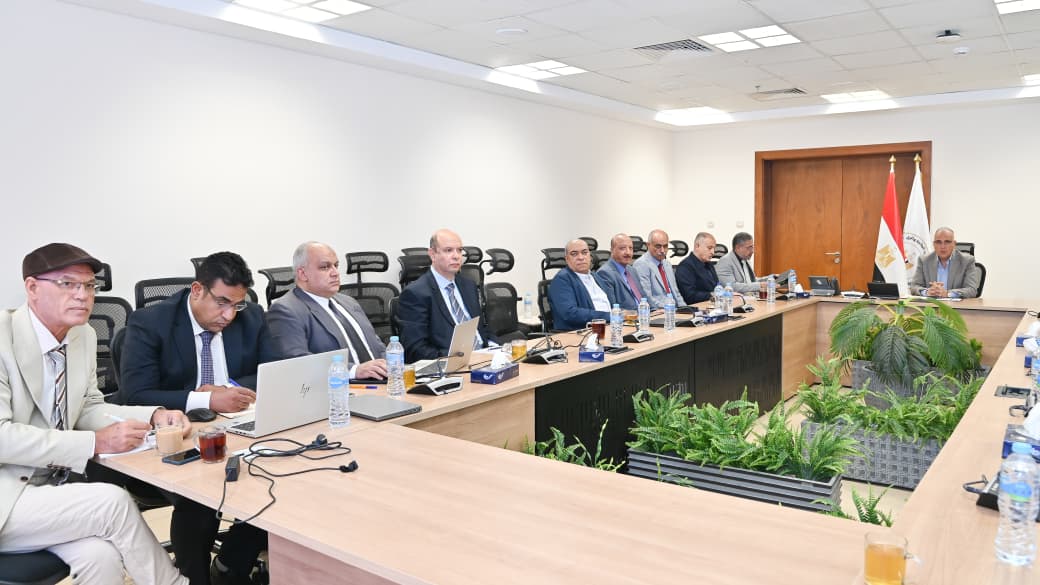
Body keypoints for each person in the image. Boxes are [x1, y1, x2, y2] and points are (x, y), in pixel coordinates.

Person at [0, 242, 189, 585]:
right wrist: (94, 442)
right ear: (32, 287)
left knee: (100, 557)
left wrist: (152, 416)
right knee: (111, 502)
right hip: (6, 494)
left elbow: (87, 406)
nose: (83, 295)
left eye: (89, 286)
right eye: (68, 284)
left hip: (46, 490)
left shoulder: (82, 336)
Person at [118, 252, 274, 585]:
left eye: (237, 305)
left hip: (237, 430)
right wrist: (205, 398)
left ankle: (231, 565)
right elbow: (136, 395)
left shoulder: (251, 317)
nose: (229, 315)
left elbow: (272, 371)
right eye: (222, 303)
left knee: (280, 474)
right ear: (197, 290)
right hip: (174, 440)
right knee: (201, 498)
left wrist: (228, 388)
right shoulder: (150, 323)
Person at [266, 242, 387, 376]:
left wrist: (392, 366)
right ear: (303, 274)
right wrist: (354, 371)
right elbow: (297, 361)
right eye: (325, 267)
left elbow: (377, 346)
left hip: (384, 381)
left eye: (336, 265)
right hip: (341, 385)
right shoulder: (286, 310)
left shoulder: (349, 302)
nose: (335, 273)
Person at [397, 229, 496, 362]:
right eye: (448, 250)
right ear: (432, 254)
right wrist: (461, 357)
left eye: (459, 250)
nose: (456, 256)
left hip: (486, 358)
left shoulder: (469, 285)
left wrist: (496, 348)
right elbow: (415, 350)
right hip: (451, 364)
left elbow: (482, 328)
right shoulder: (415, 293)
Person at [548, 239, 611, 331]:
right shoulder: (562, 280)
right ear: (567, 259)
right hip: (581, 333)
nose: (581, 257)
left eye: (584, 253)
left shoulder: (595, 276)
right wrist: (609, 316)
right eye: (574, 254)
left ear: (590, 256)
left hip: (609, 327)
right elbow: (570, 313)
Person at [910, 227, 980, 298]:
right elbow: (914, 287)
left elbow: (972, 290)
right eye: (938, 242)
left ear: (954, 244)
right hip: (932, 304)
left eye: (947, 242)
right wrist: (927, 292)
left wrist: (947, 294)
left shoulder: (967, 261)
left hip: (956, 305)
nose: (942, 246)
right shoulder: (924, 260)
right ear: (934, 244)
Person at [632, 229, 686, 308]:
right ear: (648, 245)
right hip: (660, 310)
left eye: (665, 246)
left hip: (674, 310)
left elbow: (676, 293)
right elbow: (647, 297)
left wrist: (685, 309)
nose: (662, 250)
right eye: (658, 246)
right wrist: (670, 308)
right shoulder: (641, 264)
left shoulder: (667, 264)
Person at [594, 233, 647, 311]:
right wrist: (635, 314)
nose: (628, 252)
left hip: (645, 314)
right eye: (622, 248)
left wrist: (655, 310)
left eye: (631, 248)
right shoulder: (604, 273)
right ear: (612, 250)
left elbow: (643, 297)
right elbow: (612, 308)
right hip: (628, 317)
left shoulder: (632, 270)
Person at [675, 232, 720, 303]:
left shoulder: (709, 264)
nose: (713, 252)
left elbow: (716, 287)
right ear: (697, 246)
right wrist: (712, 295)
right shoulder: (685, 267)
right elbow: (690, 296)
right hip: (697, 307)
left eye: (714, 249)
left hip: (712, 304)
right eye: (709, 248)